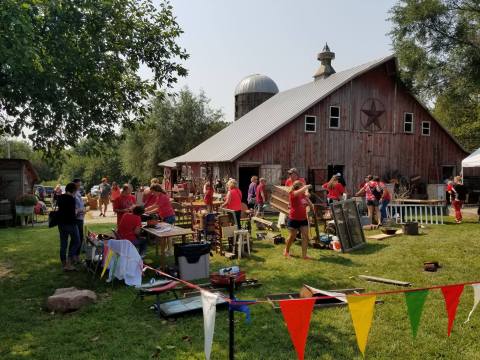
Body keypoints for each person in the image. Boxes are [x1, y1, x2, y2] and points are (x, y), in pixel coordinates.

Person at [284, 181, 314, 260]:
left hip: (303, 219)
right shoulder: (293, 193)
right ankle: (286, 251)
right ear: (298, 187)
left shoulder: (303, 195)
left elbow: (309, 202)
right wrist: (307, 186)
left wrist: (311, 206)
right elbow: (299, 192)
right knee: (292, 237)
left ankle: (304, 256)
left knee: (305, 237)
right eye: (302, 186)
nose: (303, 187)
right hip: (293, 219)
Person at [56, 182, 80, 271]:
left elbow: (62, 210)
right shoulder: (71, 199)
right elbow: (72, 213)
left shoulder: (60, 197)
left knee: (63, 244)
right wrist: (78, 211)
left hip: (61, 223)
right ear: (73, 190)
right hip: (70, 223)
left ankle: (64, 264)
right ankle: (69, 263)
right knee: (77, 241)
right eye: (76, 190)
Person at [72, 178, 85, 263]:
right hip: (76, 219)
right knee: (77, 238)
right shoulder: (73, 194)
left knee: (80, 237)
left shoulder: (78, 193)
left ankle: (76, 255)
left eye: (80, 185)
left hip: (80, 218)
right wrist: (82, 210)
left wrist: (83, 209)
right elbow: (74, 209)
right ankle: (74, 256)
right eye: (78, 185)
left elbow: (80, 205)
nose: (79, 186)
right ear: (74, 184)